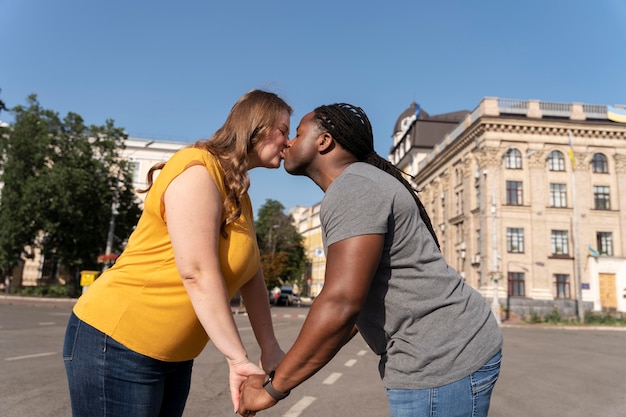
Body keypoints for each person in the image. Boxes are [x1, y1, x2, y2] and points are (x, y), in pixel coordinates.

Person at [238, 103, 503, 417]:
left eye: (297, 134)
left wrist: (272, 390)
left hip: (441, 360)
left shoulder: (353, 189)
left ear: (324, 141)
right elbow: (352, 308)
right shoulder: (358, 184)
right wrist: (291, 366)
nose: (288, 143)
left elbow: (341, 303)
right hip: (445, 351)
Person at [63, 90, 292, 417]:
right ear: (256, 126)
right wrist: (237, 359)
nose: (288, 142)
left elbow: (252, 275)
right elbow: (197, 272)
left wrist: (269, 349)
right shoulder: (197, 168)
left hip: (174, 357)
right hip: (115, 344)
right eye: (283, 130)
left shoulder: (240, 194)